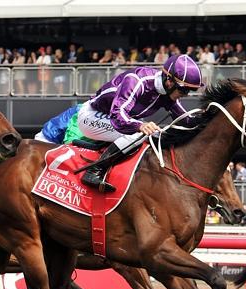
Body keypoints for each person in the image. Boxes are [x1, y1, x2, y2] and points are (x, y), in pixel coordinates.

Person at [76, 54, 204, 192]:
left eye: (190, 91)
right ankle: (94, 171)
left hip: (115, 119)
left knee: (154, 134)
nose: (185, 95)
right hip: (91, 116)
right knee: (140, 134)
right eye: (184, 90)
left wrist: (208, 118)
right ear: (169, 80)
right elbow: (117, 115)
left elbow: (186, 120)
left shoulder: (167, 93)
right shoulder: (137, 81)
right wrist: (140, 126)